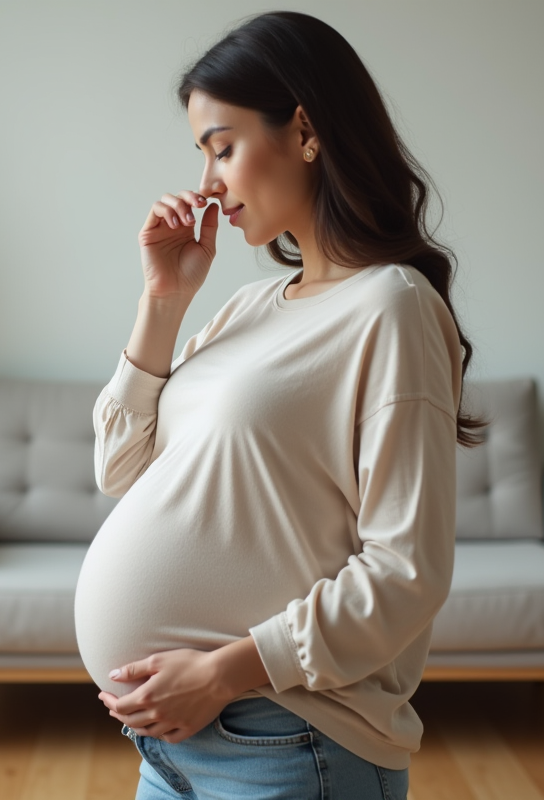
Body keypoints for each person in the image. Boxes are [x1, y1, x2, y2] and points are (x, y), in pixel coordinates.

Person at [72, 10, 484, 799]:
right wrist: (164, 301)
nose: (206, 183)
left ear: (305, 130)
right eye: (202, 155)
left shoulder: (391, 307)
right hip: (170, 748)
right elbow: (119, 469)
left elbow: (406, 572)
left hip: (290, 741)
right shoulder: (250, 307)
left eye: (223, 148)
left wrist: (224, 672)